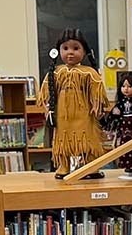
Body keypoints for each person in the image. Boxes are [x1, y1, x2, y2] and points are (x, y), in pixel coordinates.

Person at [42, 28, 108, 179]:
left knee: (87, 139)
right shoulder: (55, 73)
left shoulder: (89, 72)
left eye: (76, 48)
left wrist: (97, 107)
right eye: (65, 48)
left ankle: (90, 167)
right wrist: (48, 109)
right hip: (62, 115)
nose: (70, 52)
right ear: (58, 51)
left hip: (84, 114)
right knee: (62, 140)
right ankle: (63, 167)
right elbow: (46, 95)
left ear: (84, 52)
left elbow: (97, 94)